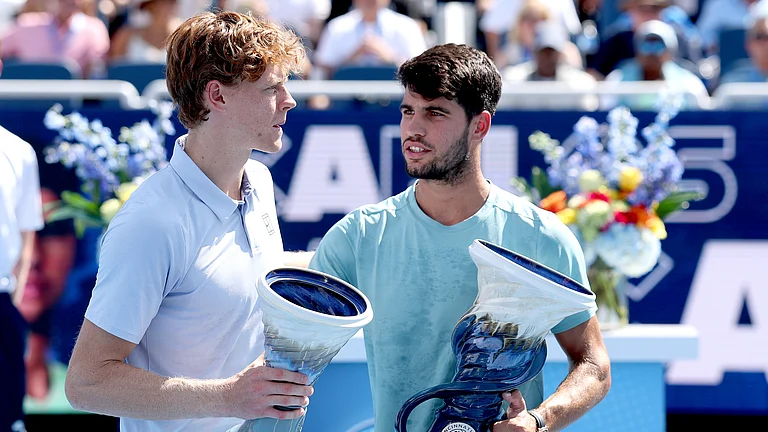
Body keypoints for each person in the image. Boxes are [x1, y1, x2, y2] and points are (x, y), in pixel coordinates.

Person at [309, 43, 611, 432]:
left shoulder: (542, 237)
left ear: (479, 126)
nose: (413, 128)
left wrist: (539, 420)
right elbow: (293, 356)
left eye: (434, 112)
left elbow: (593, 365)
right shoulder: (357, 236)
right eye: (407, 111)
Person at [64, 11, 315, 432]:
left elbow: (244, 272)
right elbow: (86, 383)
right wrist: (230, 397)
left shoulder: (260, 182)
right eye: (272, 87)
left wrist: (342, 258)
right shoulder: (151, 223)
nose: (289, 99)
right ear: (216, 96)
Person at [0, 47, 45, 432]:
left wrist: (12, 297)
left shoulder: (19, 151)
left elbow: (26, 231)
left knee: (7, 417)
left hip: (1, 305)